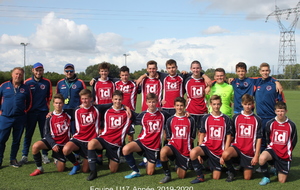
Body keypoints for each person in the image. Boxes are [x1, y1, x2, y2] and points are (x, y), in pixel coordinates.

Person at [86, 90, 134, 181]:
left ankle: (111, 157)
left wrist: (126, 107)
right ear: (112, 99)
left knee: (113, 170)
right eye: (115, 99)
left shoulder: (127, 113)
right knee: (91, 143)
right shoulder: (106, 110)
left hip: (115, 144)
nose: (117, 101)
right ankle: (93, 172)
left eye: (120, 99)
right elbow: (90, 107)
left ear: (122, 100)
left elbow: (143, 115)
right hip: (104, 139)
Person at [122, 93, 170, 178]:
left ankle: (148, 158)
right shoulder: (143, 115)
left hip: (154, 146)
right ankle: (135, 171)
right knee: (126, 149)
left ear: (157, 102)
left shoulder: (163, 114)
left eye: (153, 102)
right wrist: (127, 107)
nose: (151, 104)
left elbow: (175, 118)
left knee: (150, 172)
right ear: (146, 103)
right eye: (149, 102)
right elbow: (131, 118)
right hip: (142, 141)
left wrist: (185, 113)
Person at [29, 94, 76, 176]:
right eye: (56, 103)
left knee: (61, 169)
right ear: (53, 104)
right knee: (35, 146)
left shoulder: (68, 113)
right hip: (52, 141)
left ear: (63, 104)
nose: (58, 105)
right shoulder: (49, 116)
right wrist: (53, 144)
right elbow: (46, 133)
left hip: (62, 144)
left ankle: (57, 158)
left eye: (60, 103)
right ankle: (39, 168)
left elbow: (79, 109)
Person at [189, 95, 232, 183]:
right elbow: (201, 134)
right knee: (193, 152)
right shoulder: (205, 118)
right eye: (214, 104)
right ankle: (200, 176)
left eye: (218, 104)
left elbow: (228, 137)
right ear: (210, 105)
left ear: (221, 104)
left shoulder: (226, 118)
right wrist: (200, 150)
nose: (216, 106)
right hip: (207, 146)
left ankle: (217, 166)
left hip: (218, 150)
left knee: (216, 177)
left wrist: (224, 153)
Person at [222, 94, 262, 182]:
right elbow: (231, 135)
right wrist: (226, 149)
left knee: (247, 178)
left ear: (252, 104)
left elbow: (259, 139)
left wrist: (256, 156)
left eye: (249, 104)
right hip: (237, 147)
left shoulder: (257, 119)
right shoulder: (236, 117)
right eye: (245, 104)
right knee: (225, 154)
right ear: (242, 104)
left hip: (249, 151)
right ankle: (232, 172)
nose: (247, 106)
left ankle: (243, 165)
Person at [258, 101, 297, 185]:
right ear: (275, 111)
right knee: (262, 158)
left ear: (286, 111)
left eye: (282, 111)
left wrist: (287, 151)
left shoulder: (291, 125)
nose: (280, 113)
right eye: (278, 111)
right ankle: (266, 177)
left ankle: (277, 168)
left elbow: (294, 140)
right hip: (273, 150)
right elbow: (267, 137)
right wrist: (271, 147)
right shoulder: (270, 123)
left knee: (282, 181)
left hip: (284, 153)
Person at [20, 62, 52, 165]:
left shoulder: (47, 82)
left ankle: (45, 155)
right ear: (33, 70)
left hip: (43, 113)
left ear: (43, 71)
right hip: (31, 113)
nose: (39, 72)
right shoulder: (27, 82)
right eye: (37, 70)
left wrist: (44, 107)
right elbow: (24, 97)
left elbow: (49, 96)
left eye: (40, 70)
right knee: (28, 135)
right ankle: (24, 155)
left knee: (45, 135)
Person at [62, 89, 100, 175]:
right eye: (82, 98)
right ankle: (76, 165)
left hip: (90, 140)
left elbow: (112, 105)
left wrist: (126, 107)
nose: (84, 101)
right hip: (78, 138)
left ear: (91, 98)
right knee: (66, 150)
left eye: (86, 98)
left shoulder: (97, 108)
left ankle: (94, 157)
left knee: (85, 170)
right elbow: (61, 111)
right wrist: (51, 114)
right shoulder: (77, 110)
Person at [159, 97, 196, 184]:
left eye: (181, 105)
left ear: (185, 106)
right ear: (174, 106)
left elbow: (192, 137)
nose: (179, 108)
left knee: (181, 176)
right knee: (163, 151)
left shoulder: (191, 120)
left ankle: (178, 163)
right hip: (174, 146)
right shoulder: (170, 120)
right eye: (177, 105)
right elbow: (168, 137)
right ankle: (167, 175)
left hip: (184, 150)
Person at [0, 67, 31, 168]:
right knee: (1, 139)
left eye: (20, 74)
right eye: (16, 74)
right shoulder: (4, 86)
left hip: (20, 118)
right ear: (12, 75)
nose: (18, 76)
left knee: (16, 140)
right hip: (5, 118)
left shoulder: (26, 88)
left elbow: (29, 103)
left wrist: (24, 112)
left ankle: (13, 159)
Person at [255, 62, 285, 152]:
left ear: (270, 71)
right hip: (260, 117)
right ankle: (263, 165)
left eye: (267, 70)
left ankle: (274, 162)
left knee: (274, 140)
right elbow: (244, 79)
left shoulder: (274, 84)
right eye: (263, 71)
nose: (265, 72)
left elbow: (281, 102)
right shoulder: (257, 82)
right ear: (260, 72)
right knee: (261, 140)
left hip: (272, 117)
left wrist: (276, 81)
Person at [184, 60, 210, 135]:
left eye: (198, 68)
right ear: (191, 69)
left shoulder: (205, 80)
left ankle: (199, 147)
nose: (196, 70)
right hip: (190, 111)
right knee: (190, 134)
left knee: (201, 135)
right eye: (194, 68)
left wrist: (209, 86)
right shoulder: (187, 80)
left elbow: (212, 83)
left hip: (203, 111)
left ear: (201, 68)